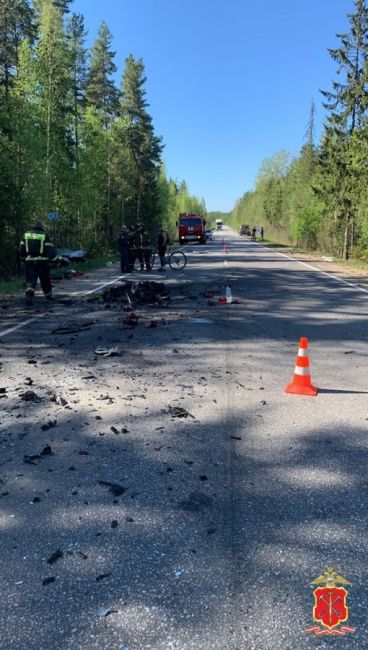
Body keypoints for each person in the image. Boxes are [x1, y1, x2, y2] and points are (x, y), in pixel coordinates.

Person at [19, 220, 58, 305]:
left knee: (30, 280)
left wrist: (23, 259)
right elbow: (50, 250)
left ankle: (29, 296)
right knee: (45, 280)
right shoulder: (44, 235)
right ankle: (48, 297)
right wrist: (55, 260)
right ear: (42, 227)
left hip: (29, 261)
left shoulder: (26, 234)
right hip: (42, 262)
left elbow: (21, 249)